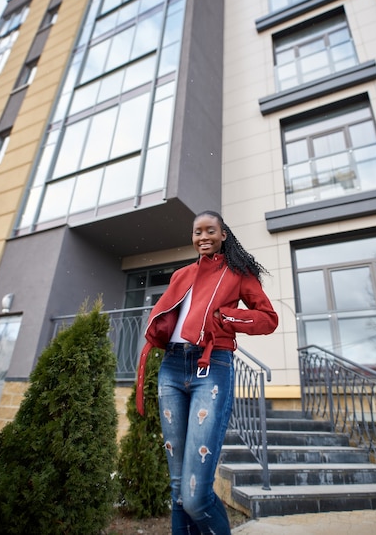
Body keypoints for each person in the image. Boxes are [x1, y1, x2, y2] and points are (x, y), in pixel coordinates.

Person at [136, 210, 279, 534]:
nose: (203, 237)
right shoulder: (181, 274)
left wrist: (225, 318)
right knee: (177, 491)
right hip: (171, 368)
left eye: (210, 231)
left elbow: (268, 318)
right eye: (197, 232)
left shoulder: (238, 273)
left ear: (223, 234)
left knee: (195, 497)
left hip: (211, 367)